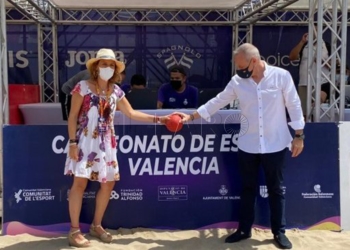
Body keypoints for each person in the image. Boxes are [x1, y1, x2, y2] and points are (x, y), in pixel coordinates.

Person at [178, 43, 305, 249]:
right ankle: (244, 230)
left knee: (276, 189)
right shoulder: (238, 82)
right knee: (247, 189)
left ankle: (279, 232)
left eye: (241, 66)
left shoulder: (281, 76)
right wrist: (192, 116)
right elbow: (218, 101)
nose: (239, 71)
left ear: (254, 61)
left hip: (276, 143)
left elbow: (294, 104)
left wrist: (299, 134)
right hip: (248, 144)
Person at [64, 48, 169, 248]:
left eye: (111, 65)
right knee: (79, 184)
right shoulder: (82, 87)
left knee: (108, 184)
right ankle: (74, 231)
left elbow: (132, 113)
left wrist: (160, 119)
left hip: (107, 143)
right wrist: (72, 143)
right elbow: (72, 117)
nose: (108, 68)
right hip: (85, 141)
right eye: (104, 64)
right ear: (96, 67)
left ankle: (96, 225)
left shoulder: (116, 91)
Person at [289, 31, 330, 114]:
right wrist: (302, 42)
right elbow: (292, 57)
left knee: (317, 106)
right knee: (304, 112)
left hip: (322, 81)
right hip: (305, 82)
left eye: (316, 30)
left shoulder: (326, 45)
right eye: (312, 30)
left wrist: (321, 62)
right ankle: (306, 125)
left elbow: (335, 64)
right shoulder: (304, 45)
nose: (313, 32)